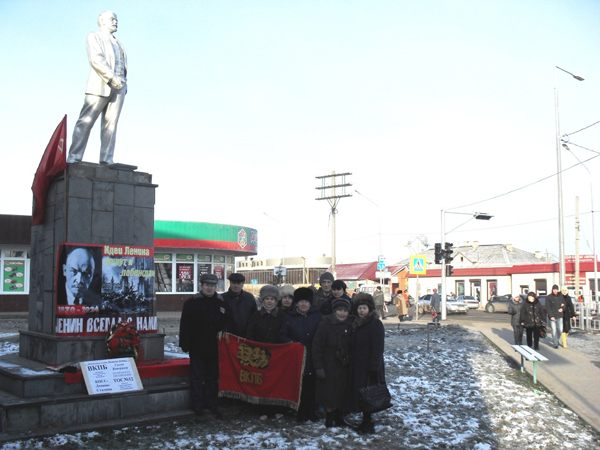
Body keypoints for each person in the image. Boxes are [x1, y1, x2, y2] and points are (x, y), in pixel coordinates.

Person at [67, 11, 127, 165]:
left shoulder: (118, 43)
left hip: (119, 88)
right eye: (112, 19)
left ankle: (107, 158)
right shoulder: (94, 36)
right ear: (102, 20)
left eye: (116, 20)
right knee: (86, 121)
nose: (115, 22)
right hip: (101, 85)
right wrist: (112, 77)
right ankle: (74, 156)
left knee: (110, 125)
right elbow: (96, 59)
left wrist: (123, 83)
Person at [179, 273, 231, 416]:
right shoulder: (191, 303)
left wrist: (224, 331)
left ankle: (211, 403)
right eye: (207, 285)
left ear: (216, 287)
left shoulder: (222, 304)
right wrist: (184, 343)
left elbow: (227, 322)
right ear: (201, 286)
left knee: (212, 377)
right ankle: (197, 404)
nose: (209, 288)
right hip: (197, 347)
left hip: (215, 347)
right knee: (196, 377)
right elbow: (185, 325)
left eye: (212, 285)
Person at [279, 287, 323, 422]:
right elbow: (282, 335)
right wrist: (293, 343)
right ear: (296, 303)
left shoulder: (318, 316)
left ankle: (312, 411)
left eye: (306, 302)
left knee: (312, 385)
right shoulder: (289, 318)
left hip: (314, 356)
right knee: (300, 385)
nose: (304, 304)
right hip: (298, 357)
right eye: (301, 301)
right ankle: (301, 411)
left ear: (310, 303)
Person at [345, 293, 385, 434]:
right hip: (357, 365)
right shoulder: (357, 323)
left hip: (369, 365)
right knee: (361, 393)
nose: (361, 311)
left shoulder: (375, 324)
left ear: (370, 309)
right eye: (359, 308)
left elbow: (378, 347)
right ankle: (365, 419)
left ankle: (368, 422)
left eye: (364, 308)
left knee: (369, 393)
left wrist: (374, 367)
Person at [312, 297, 355, 428]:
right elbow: (317, 347)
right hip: (329, 364)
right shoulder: (325, 324)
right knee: (329, 392)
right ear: (334, 311)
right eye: (339, 310)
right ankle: (330, 417)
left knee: (343, 391)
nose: (342, 313)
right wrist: (318, 366)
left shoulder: (351, 324)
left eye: (345, 311)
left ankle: (340, 416)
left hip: (345, 364)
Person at [221, 273, 258, 338]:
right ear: (230, 283)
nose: (236, 286)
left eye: (238, 283)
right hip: (228, 337)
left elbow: (255, 317)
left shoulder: (249, 298)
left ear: (242, 284)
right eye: (234, 283)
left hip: (246, 336)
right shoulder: (223, 298)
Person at [546, 284, 565, 349]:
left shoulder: (560, 296)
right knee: (553, 330)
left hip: (559, 315)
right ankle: (555, 343)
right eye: (554, 289)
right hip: (552, 316)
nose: (555, 291)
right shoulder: (549, 297)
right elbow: (547, 307)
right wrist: (551, 316)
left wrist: (562, 308)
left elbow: (564, 304)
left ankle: (557, 339)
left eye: (556, 289)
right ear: (552, 290)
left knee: (560, 329)